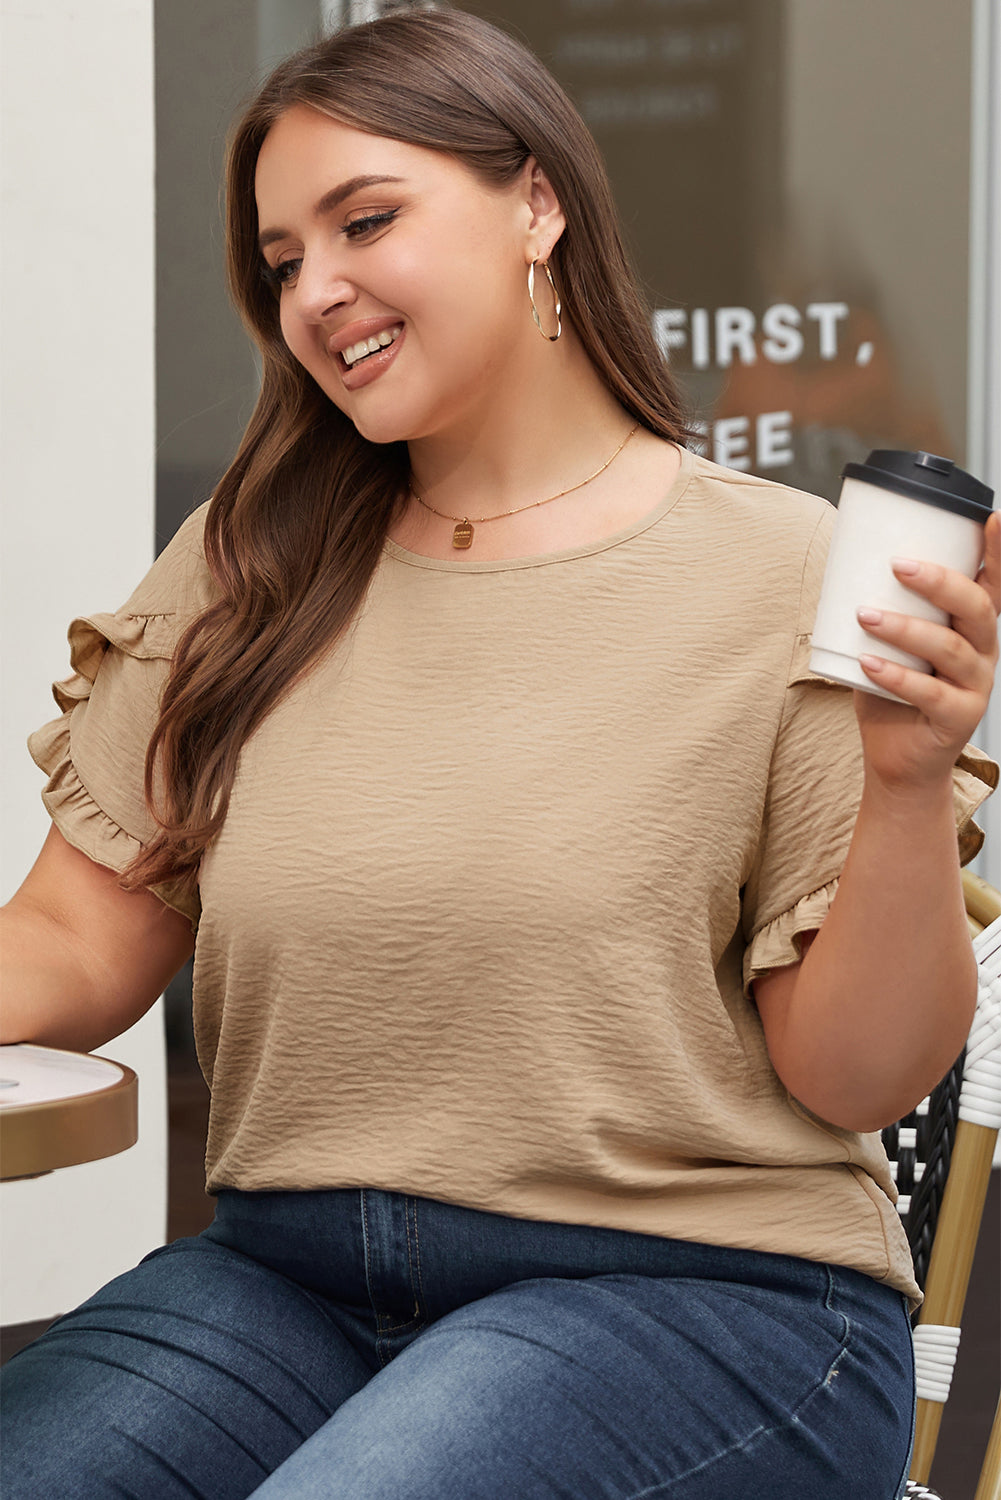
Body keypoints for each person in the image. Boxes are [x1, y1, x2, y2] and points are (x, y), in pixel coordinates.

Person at [1, 9, 998, 1498]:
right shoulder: (247, 565)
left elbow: (854, 1074)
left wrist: (908, 783)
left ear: (535, 201)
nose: (316, 293)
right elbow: (76, 937)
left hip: (702, 1299)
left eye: (365, 221)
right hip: (288, 1280)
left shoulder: (783, 573)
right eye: (282, 261)